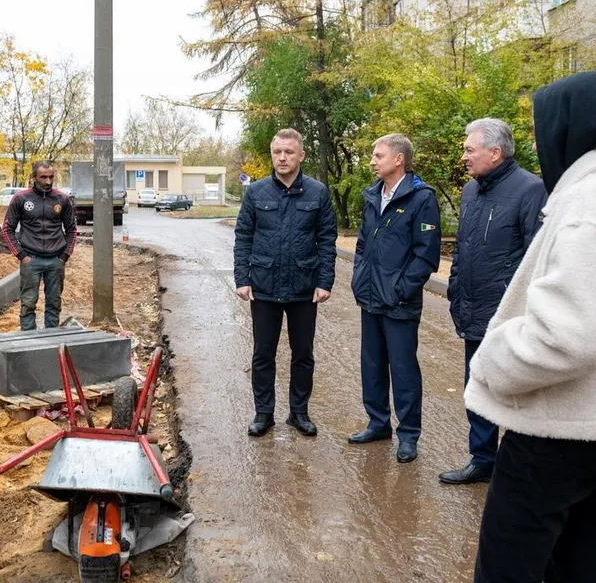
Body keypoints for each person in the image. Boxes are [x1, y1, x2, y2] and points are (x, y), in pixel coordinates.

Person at [466, 71, 596, 583]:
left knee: (508, 565)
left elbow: (570, 334)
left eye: (542, 126)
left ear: (572, 126)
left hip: (554, 427)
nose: (537, 141)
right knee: (575, 559)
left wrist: (492, 360)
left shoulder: (590, 204)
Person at [440, 119, 547, 485]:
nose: (464, 156)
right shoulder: (471, 192)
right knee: (478, 387)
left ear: (495, 153)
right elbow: (464, 251)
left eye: (470, 149)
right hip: (474, 308)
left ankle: (519, 467)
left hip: (510, 316)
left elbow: (538, 257)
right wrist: (454, 289)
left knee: (516, 393)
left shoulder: (531, 190)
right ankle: (483, 459)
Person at [233, 128, 337, 437]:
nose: (282, 157)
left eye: (289, 152)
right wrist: (242, 278)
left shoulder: (318, 193)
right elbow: (243, 237)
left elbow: (327, 239)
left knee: (302, 354)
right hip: (264, 286)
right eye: (277, 152)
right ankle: (264, 413)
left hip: (304, 288)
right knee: (263, 354)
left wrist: (325, 281)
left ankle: (298, 413)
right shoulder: (256, 193)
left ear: (301, 155)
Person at [349, 134, 441, 464]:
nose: (372, 161)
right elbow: (362, 244)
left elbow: (426, 254)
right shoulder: (373, 195)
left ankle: (409, 435)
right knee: (371, 365)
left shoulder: (421, 198)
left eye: (378, 155)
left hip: (399, 301)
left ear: (398, 159)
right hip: (371, 296)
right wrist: (359, 277)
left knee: (403, 369)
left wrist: (401, 289)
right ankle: (378, 424)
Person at [2, 160, 78, 330]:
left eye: (51, 177)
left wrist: (64, 256)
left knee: (54, 303)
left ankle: (50, 339)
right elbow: (7, 229)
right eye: (43, 177)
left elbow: (72, 229)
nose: (48, 181)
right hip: (31, 259)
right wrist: (21, 255)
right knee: (28, 304)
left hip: (56, 260)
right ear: (34, 177)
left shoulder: (63, 199)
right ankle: (28, 340)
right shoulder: (21, 199)